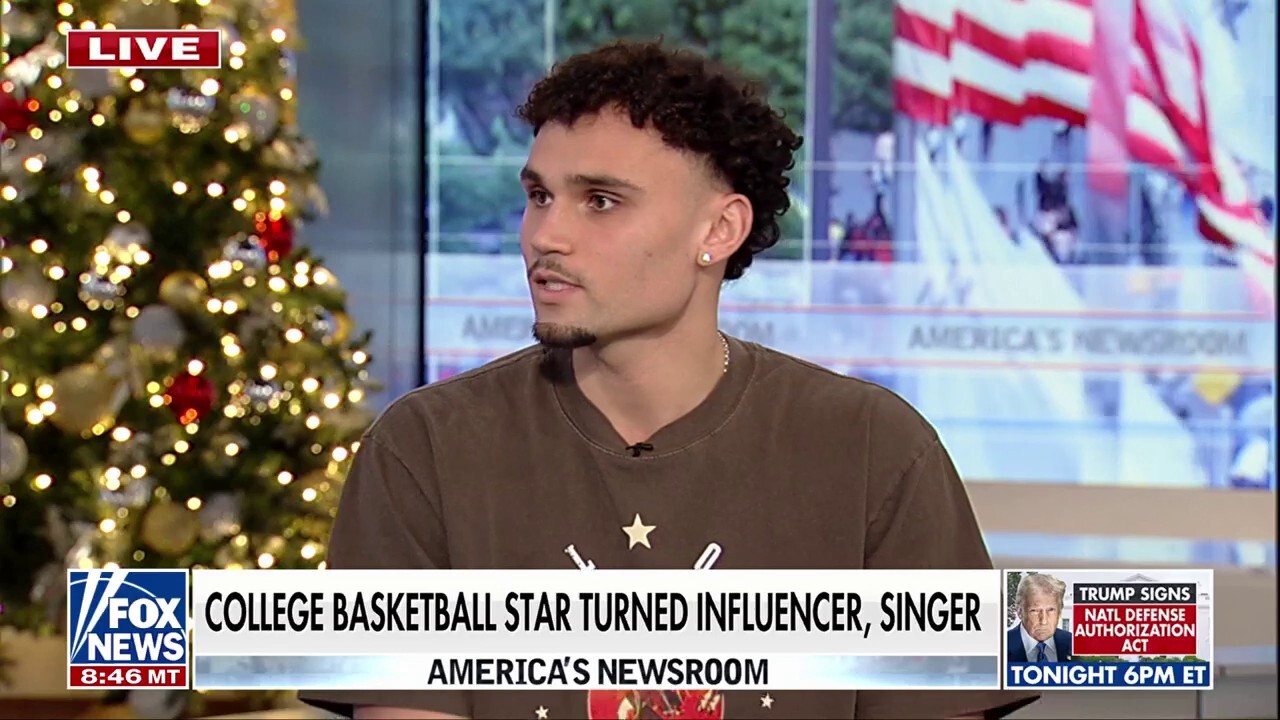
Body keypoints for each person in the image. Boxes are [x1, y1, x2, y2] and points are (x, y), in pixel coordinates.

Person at [300, 40, 1038, 720]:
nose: (545, 236)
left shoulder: (874, 450)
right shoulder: (425, 449)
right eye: (539, 196)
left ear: (718, 231)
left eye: (600, 201)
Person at [1006, 574, 1074, 663]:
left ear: (1059, 612)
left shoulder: (1074, 644)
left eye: (1051, 610)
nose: (1044, 621)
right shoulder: (1001, 645)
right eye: (1035, 611)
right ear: (1020, 612)